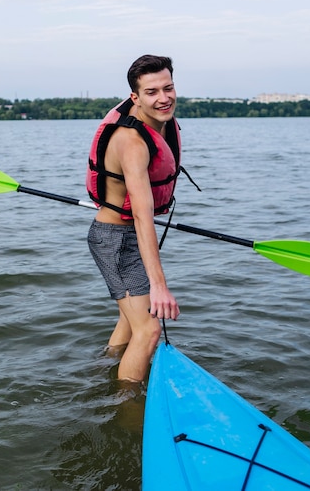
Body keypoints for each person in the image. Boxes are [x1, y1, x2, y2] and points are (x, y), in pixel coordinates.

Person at [86, 55, 182, 383]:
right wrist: (160, 286)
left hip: (127, 237)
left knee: (130, 321)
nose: (164, 97)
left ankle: (103, 368)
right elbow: (142, 215)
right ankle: (126, 412)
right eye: (152, 92)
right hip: (116, 240)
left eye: (168, 88)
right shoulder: (132, 142)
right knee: (149, 330)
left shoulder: (156, 123)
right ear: (135, 98)